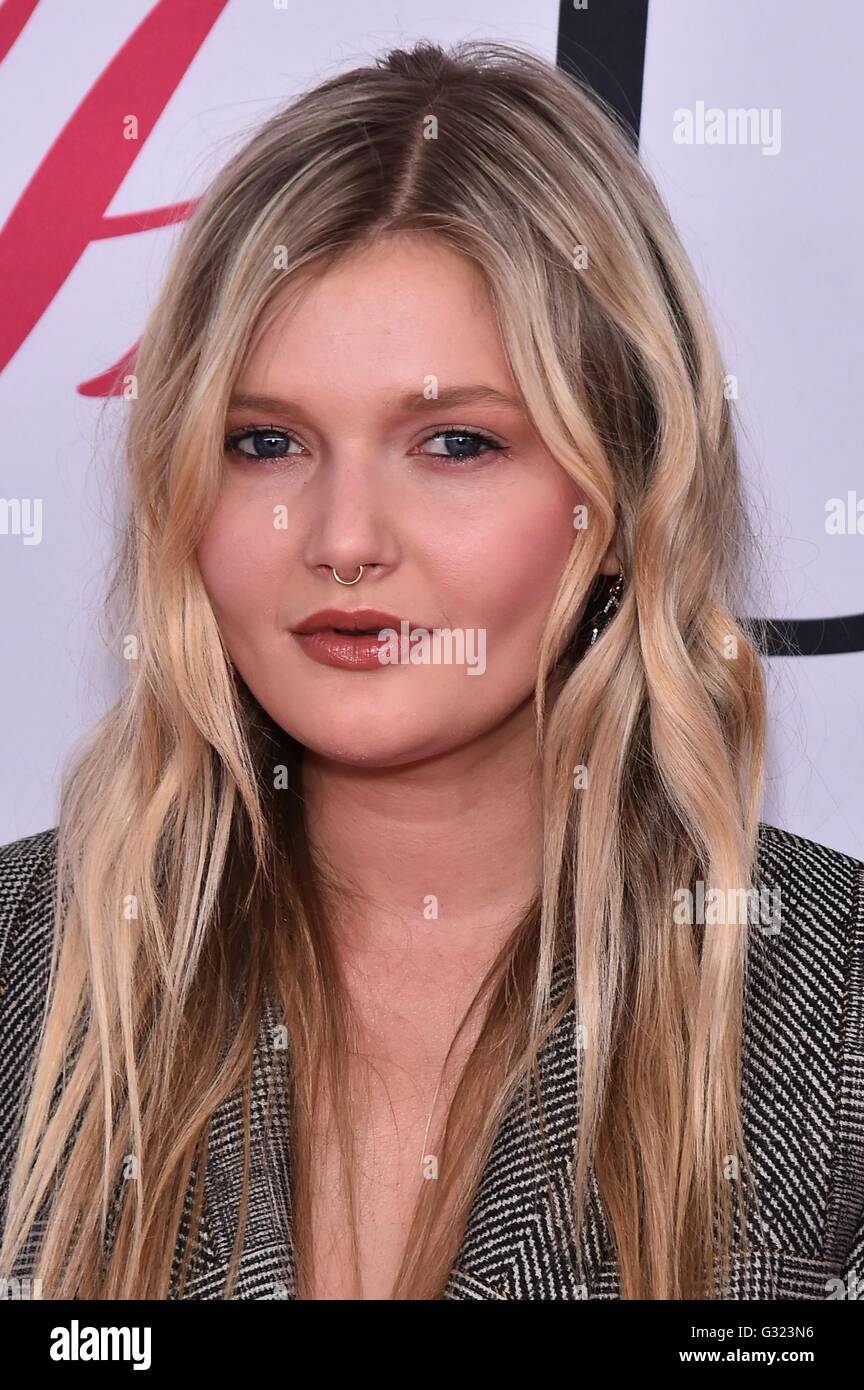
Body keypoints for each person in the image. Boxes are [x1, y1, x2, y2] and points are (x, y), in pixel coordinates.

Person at [1, 38, 862, 1302]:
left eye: (454, 441)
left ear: (620, 495)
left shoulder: (832, 1015)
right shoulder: (31, 968)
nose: (345, 539)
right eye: (265, 441)